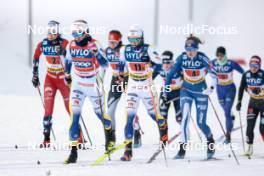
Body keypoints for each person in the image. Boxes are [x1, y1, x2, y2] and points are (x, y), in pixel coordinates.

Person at [63, 20, 114, 164]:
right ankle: (73, 152)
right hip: (78, 83)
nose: (76, 36)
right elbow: (68, 60)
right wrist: (67, 74)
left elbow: (105, 64)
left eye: (79, 33)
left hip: (93, 83)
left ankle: (109, 135)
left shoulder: (95, 43)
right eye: (73, 33)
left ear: (86, 32)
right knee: (74, 116)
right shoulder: (71, 44)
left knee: (99, 114)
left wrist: (96, 53)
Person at [118, 24, 168, 161]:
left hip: (146, 86)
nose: (133, 43)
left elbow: (160, 66)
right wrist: (120, 75)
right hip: (133, 85)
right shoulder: (125, 49)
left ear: (141, 38)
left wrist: (151, 65)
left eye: (136, 40)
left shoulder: (149, 49)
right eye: (131, 40)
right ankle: (128, 151)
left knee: (154, 115)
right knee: (129, 118)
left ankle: (163, 128)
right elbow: (120, 64)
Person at [164, 34, 217, 159]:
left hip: (201, 92)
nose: (190, 53)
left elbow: (214, 75)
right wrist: (166, 91)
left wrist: (211, 88)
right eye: (188, 50)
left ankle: (210, 140)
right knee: (185, 119)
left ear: (197, 49)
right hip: (186, 91)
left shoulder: (202, 58)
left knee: (201, 123)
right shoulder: (182, 58)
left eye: (192, 50)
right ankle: (182, 151)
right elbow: (170, 75)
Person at [32, 20, 74, 147]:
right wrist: (35, 75)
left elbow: (71, 59)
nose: (51, 35)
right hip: (50, 79)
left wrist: (64, 54)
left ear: (58, 32)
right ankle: (46, 139)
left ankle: (79, 138)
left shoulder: (64, 43)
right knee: (48, 109)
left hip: (62, 79)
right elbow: (36, 57)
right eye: (49, 32)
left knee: (70, 109)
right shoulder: (43, 44)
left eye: (54, 33)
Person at [105, 30, 142, 148]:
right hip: (115, 78)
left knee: (129, 107)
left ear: (120, 41)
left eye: (114, 42)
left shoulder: (126, 49)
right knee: (110, 109)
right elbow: (103, 66)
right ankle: (111, 137)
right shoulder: (108, 51)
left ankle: (136, 131)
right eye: (110, 42)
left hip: (128, 78)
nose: (112, 44)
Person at [212, 46, 244, 144]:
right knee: (226, 111)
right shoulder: (213, 63)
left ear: (225, 55)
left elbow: (244, 73)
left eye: (221, 55)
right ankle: (231, 117)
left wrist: (246, 85)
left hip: (230, 89)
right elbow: (204, 71)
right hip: (219, 89)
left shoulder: (231, 63)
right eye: (217, 55)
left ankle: (228, 135)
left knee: (226, 112)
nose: (219, 57)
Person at [236, 55, 264, 156]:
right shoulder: (246, 74)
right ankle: (249, 149)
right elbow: (241, 88)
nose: (253, 68)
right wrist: (239, 101)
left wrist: (260, 89)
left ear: (259, 66)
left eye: (256, 66)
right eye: (251, 65)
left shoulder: (262, 74)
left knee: (262, 129)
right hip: (252, 104)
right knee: (249, 127)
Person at [159, 51, 182, 125]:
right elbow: (149, 77)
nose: (166, 65)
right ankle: (164, 136)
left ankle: (185, 135)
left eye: (168, 62)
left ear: (172, 62)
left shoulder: (178, 69)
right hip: (165, 93)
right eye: (164, 62)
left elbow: (188, 79)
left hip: (177, 93)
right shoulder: (159, 68)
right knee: (162, 118)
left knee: (180, 118)